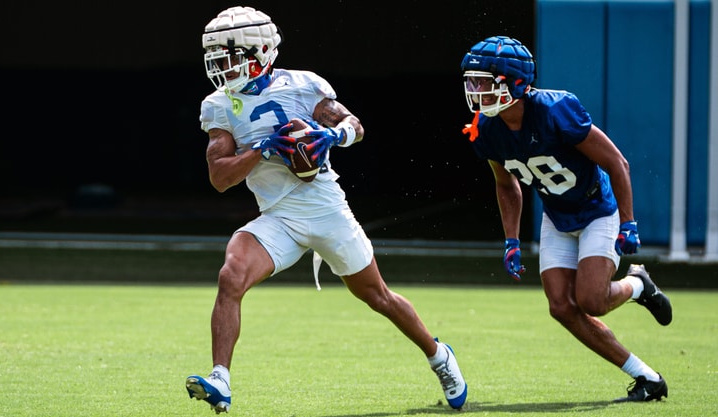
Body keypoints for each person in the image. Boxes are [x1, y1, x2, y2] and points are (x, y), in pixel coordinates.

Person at [184, 6, 467, 414]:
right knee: (231, 276)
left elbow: (355, 125)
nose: (221, 69)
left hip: (326, 211)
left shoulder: (302, 84)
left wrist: (329, 135)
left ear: (261, 51)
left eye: (228, 58)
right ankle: (221, 380)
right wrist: (264, 148)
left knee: (378, 296)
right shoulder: (218, 105)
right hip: (278, 217)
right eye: (215, 60)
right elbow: (220, 176)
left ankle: (439, 355)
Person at [460, 35, 672, 402]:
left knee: (591, 300)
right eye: (471, 82)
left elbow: (615, 162)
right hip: (557, 216)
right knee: (561, 306)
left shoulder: (557, 109)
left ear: (514, 83)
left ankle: (638, 284)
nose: (475, 91)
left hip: (596, 211)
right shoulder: (487, 130)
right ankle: (647, 378)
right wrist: (510, 239)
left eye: (483, 82)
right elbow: (506, 183)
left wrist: (628, 221)